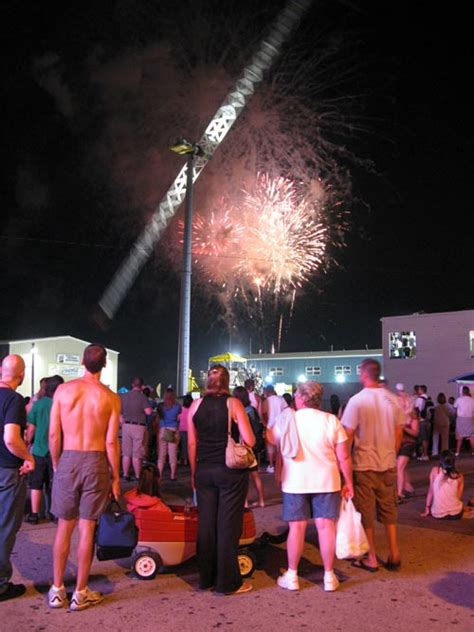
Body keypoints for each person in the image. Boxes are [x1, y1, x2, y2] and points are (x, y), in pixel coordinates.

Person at [48, 343, 121, 611]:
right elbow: (112, 443)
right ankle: (80, 592)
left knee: (64, 526)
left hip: (68, 458)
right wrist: (115, 478)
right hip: (96, 460)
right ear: (103, 366)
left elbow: (54, 434)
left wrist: (57, 463)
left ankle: (57, 591)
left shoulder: (63, 391)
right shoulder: (111, 398)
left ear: (82, 361)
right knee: (87, 527)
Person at [267, 381, 353, 593]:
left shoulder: (289, 419)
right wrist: (349, 482)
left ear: (301, 398)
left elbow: (270, 438)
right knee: (325, 527)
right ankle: (329, 575)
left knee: (297, 528)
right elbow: (344, 456)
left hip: (295, 481)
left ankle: (292, 575)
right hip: (327, 481)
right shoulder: (331, 421)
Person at [188, 365, 255, 595]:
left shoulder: (195, 405)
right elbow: (250, 440)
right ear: (227, 382)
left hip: (204, 470)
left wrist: (194, 474)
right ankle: (227, 582)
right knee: (227, 525)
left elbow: (191, 443)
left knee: (206, 524)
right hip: (228, 472)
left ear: (208, 381)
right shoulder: (233, 404)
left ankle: (206, 577)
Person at [342, 358, 405, 572]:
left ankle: (371, 557)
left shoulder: (357, 401)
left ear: (363, 374)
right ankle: (394, 553)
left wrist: (344, 466)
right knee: (389, 510)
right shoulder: (393, 400)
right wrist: (391, 454)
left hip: (364, 465)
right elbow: (399, 433)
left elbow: (347, 435)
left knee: (366, 513)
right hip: (387, 463)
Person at [0, 355, 35, 602]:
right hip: (6, 473)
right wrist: (29, 458)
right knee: (4, 528)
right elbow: (11, 438)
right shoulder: (13, 400)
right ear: (21, 375)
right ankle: (1, 585)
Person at [26, 375, 64, 524]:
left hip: (39, 450)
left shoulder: (39, 404)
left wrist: (28, 443)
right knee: (53, 484)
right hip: (58, 451)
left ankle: (34, 514)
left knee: (36, 483)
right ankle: (53, 513)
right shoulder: (62, 404)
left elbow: (31, 429)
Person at [233, 386, 265, 508]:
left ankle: (245, 502)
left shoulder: (240, 411)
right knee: (255, 475)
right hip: (253, 446)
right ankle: (262, 500)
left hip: (243, 446)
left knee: (243, 476)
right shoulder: (252, 409)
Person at [120, 377, 153, 481]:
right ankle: (138, 475)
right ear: (142, 386)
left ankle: (125, 474)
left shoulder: (124, 396)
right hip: (138, 426)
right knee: (137, 453)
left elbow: (119, 412)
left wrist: (123, 422)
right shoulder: (142, 397)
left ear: (132, 384)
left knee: (126, 453)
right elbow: (148, 412)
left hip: (126, 426)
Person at [421, 451, 465, 519]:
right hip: (456, 513)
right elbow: (458, 497)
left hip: (437, 513)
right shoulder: (459, 477)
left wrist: (427, 508)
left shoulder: (434, 471)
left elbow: (431, 491)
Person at [157, 388, 182, 481]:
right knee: (172, 454)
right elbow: (178, 419)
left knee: (161, 455)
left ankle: (159, 475)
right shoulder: (177, 407)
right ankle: (172, 475)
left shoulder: (160, 406)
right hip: (172, 430)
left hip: (162, 430)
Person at [396, 408, 419, 500]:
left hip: (408, 444)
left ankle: (400, 494)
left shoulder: (413, 418)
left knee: (399, 468)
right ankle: (408, 488)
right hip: (399, 444)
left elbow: (415, 433)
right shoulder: (398, 417)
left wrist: (404, 428)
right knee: (402, 468)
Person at [261, 384, 285, 473]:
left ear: (267, 392)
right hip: (281, 426)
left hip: (270, 426)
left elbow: (264, 414)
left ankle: (271, 466)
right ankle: (280, 465)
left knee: (270, 447)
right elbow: (285, 411)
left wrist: (266, 424)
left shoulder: (266, 401)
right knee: (280, 447)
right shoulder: (281, 399)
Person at [454, 386, 474, 456]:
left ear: (462, 392)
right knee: (472, 437)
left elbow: (455, 408)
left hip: (460, 419)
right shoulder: (472, 400)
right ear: (468, 392)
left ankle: (457, 452)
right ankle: (473, 452)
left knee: (459, 437)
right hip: (470, 419)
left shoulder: (459, 399)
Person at [178, 394, 193, 466]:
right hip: (190, 430)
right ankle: (187, 459)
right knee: (188, 445)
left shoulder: (180, 409)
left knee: (182, 445)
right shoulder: (192, 410)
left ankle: (183, 459)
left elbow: (177, 419)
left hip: (181, 429)